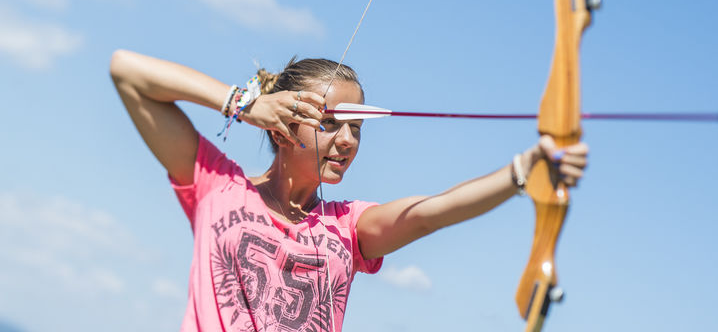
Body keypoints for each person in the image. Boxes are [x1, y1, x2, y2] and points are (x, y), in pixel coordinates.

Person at [110, 49, 589, 332]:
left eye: (356, 127)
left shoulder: (347, 225)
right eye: (331, 123)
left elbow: (432, 213)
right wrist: (245, 103)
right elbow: (126, 70)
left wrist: (522, 171)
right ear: (281, 127)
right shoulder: (218, 184)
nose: (348, 140)